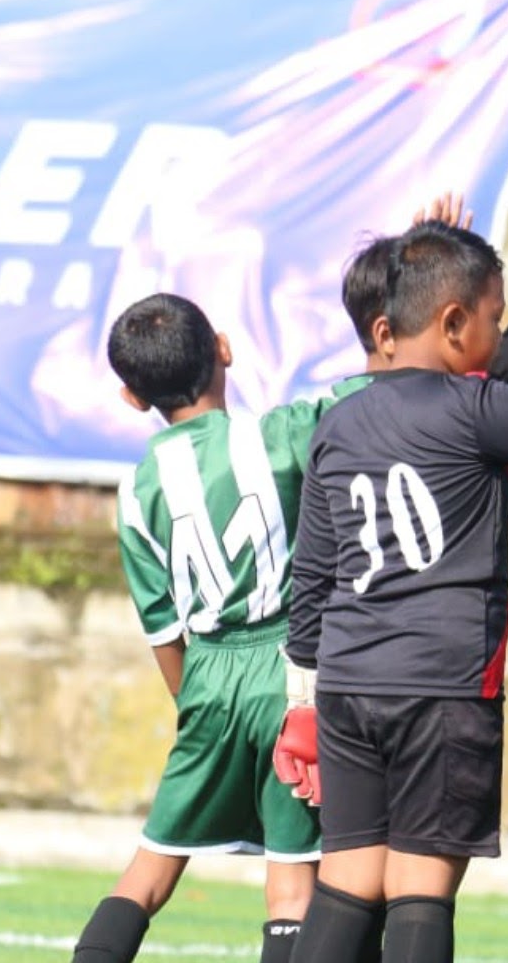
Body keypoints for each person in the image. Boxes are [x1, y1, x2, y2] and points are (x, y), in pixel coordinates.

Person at [278, 222, 508, 963]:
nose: (501, 335)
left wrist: (303, 702)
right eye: (495, 318)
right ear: (455, 324)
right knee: (420, 888)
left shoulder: (338, 420)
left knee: (347, 879)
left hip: (348, 683)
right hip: (443, 684)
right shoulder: (479, 408)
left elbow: (313, 576)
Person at [71, 293, 324, 963]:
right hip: (292, 672)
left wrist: (199, 707)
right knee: (293, 887)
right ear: (224, 349)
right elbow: (382, 393)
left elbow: (162, 630)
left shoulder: (135, 491)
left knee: (149, 871)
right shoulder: (283, 434)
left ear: (132, 398)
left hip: (207, 673)